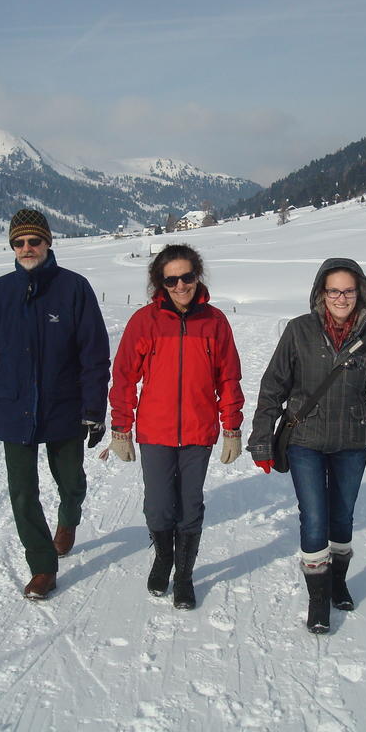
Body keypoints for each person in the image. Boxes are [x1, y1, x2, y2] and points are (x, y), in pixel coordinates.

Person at [248, 258, 366, 633]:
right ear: (321, 294)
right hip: (304, 440)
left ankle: (337, 581)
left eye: (348, 291)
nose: (341, 297)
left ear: (360, 294)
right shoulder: (298, 331)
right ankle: (318, 597)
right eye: (334, 290)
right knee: (315, 517)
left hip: (351, 442)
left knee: (342, 517)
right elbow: (272, 386)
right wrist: (261, 440)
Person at [0, 209, 111, 600]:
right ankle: (42, 565)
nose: (27, 248)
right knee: (22, 491)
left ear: (48, 242)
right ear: (12, 247)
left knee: (71, 481)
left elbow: (94, 355)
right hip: (15, 408)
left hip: (64, 406)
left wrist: (94, 410)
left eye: (34, 241)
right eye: (19, 242)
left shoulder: (74, 288)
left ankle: (68, 519)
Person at [104, 244, 244, 610]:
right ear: (160, 283)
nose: (181, 285)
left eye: (187, 277)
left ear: (197, 276)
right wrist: (121, 426)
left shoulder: (214, 322)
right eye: (172, 279)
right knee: (158, 507)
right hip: (155, 432)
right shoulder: (144, 322)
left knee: (190, 505)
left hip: (198, 433)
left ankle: (183, 574)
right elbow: (122, 378)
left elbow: (228, 379)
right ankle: (163, 557)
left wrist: (232, 427)